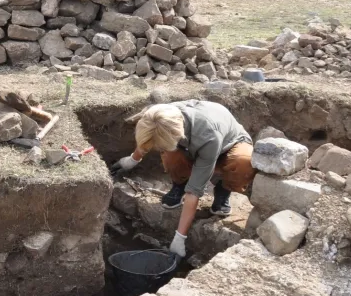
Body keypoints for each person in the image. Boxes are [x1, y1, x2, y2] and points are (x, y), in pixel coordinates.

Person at [109, 100, 255, 259]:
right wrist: (132, 160)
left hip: (229, 146)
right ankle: (179, 184)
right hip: (189, 141)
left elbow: (194, 193)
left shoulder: (208, 136)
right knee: (170, 154)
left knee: (243, 162)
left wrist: (180, 237)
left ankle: (224, 190)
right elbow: (147, 138)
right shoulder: (159, 116)